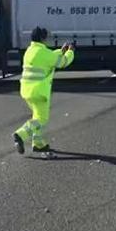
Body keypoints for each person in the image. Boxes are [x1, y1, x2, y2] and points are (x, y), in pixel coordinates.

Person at [13, 27, 74, 156]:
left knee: (37, 117)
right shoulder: (43, 52)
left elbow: (49, 58)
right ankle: (20, 134)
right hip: (39, 92)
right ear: (42, 38)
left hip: (26, 90)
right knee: (41, 119)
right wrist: (70, 53)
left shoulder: (30, 51)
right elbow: (62, 63)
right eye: (46, 37)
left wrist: (61, 51)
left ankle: (39, 144)